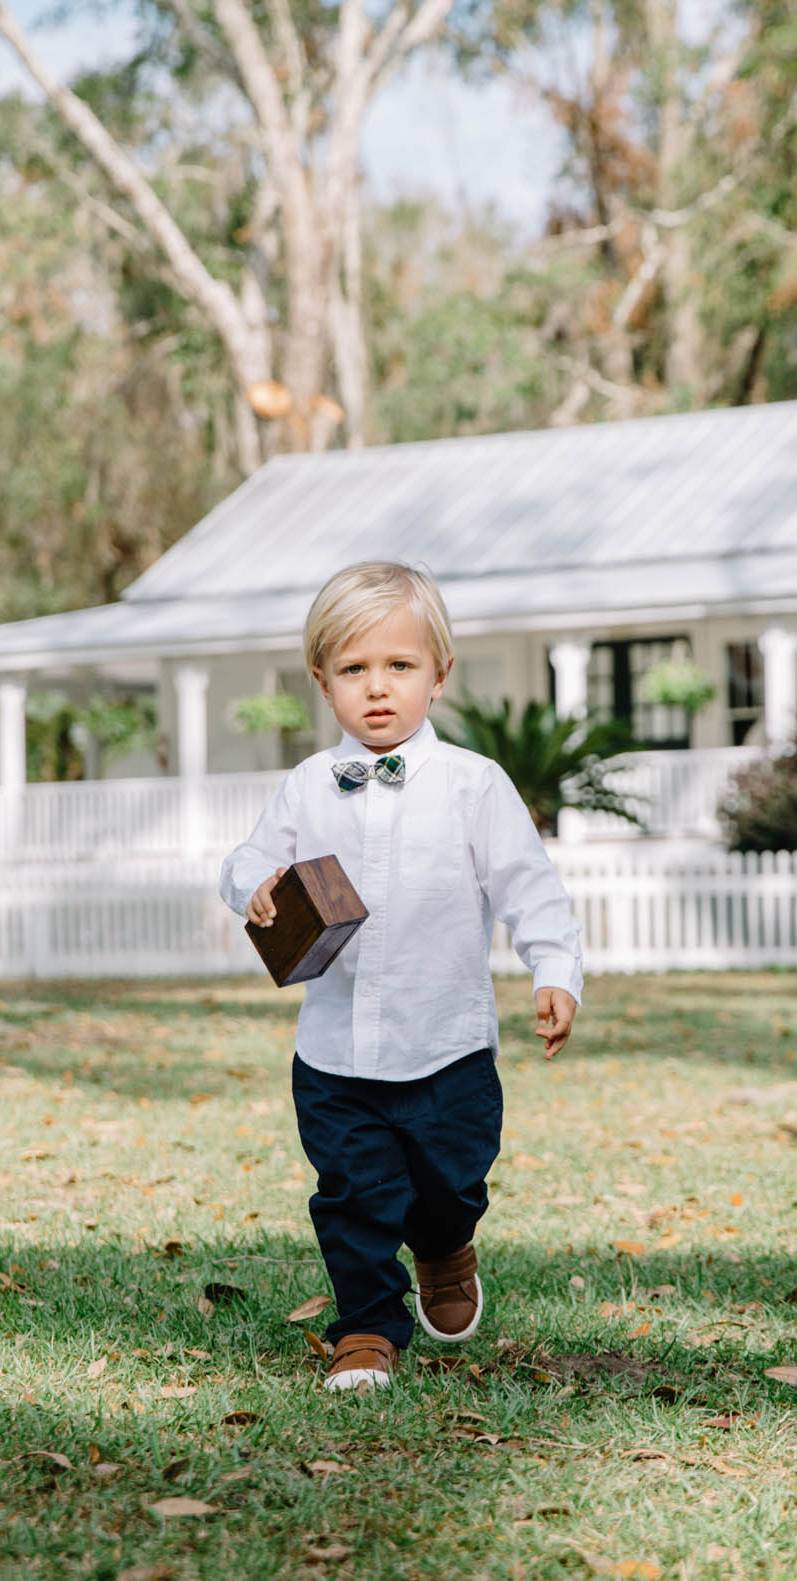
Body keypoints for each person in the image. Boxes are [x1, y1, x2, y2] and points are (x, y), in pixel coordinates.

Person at [221, 562, 582, 1394]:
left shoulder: (473, 785)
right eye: (353, 669)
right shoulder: (308, 785)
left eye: (399, 666)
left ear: (439, 673)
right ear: (322, 681)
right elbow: (247, 858)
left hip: (447, 1044)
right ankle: (367, 1330)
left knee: (450, 1182)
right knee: (352, 1194)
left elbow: (531, 887)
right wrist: (255, 885)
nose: (376, 688)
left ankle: (448, 1245)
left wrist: (553, 971)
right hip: (336, 1053)